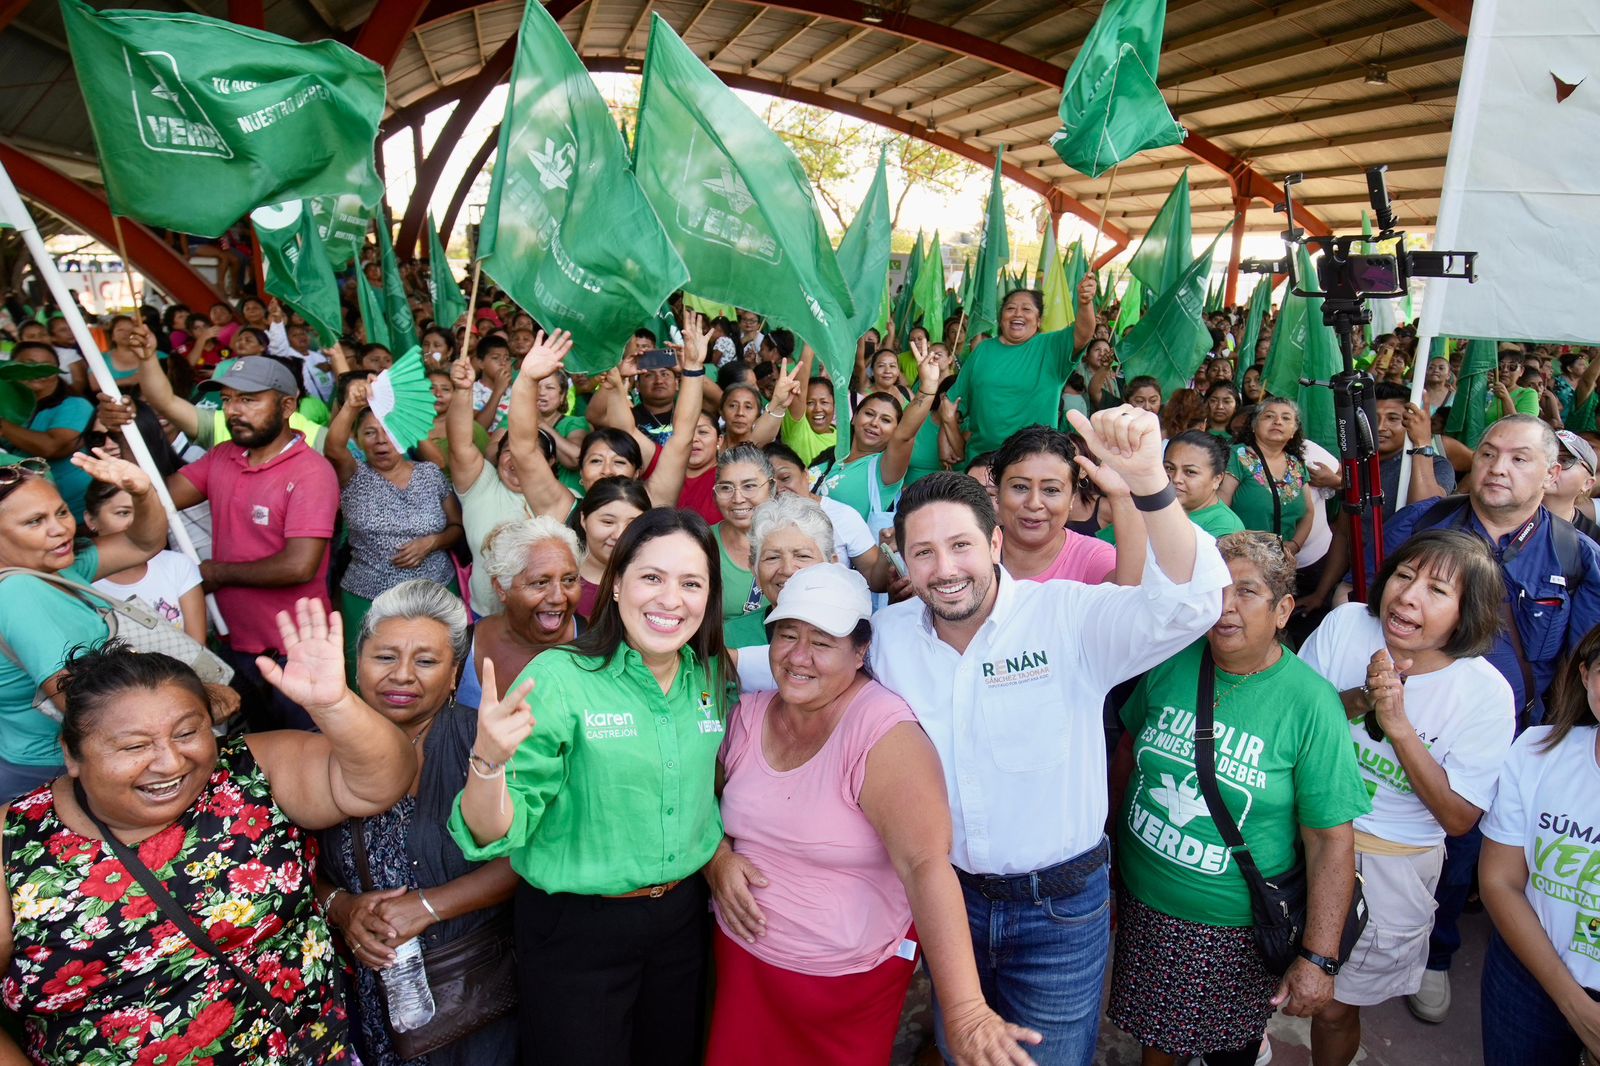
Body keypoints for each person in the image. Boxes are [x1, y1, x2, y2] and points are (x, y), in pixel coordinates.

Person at [869, 405, 1231, 1066]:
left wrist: (1149, 484)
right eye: (923, 552)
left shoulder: (1069, 618)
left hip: (1059, 912)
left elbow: (1192, 603)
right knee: (963, 1051)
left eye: (961, 546)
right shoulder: (888, 641)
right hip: (948, 904)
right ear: (903, 558)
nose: (945, 568)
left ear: (995, 543)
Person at [0, 599, 418, 1064]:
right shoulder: (14, 841)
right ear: (72, 754)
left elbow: (382, 783)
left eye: (186, 733)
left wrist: (334, 706)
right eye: (135, 746)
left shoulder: (248, 769)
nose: (169, 762)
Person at [704, 564, 1039, 1066]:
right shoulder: (747, 716)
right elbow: (699, 803)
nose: (798, 656)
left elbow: (925, 865)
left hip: (843, 990)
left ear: (860, 652)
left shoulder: (881, 731)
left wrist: (967, 1011)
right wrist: (718, 859)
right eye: (787, 635)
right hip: (743, 969)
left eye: (822, 642)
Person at [449, 508, 732, 1066]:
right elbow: (495, 829)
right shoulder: (559, 678)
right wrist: (488, 764)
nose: (671, 600)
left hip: (681, 922)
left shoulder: (708, 675)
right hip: (578, 930)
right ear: (617, 583)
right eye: (652, 577)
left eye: (691, 583)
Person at [1356, 414, 1600, 1023]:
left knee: (1465, 846)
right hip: (1393, 712)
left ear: (1552, 474)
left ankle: (1435, 955)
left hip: (1505, 736)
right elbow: (1372, 602)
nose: (1497, 467)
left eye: (1519, 458)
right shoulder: (1424, 522)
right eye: (1488, 452)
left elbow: (1579, 664)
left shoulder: (1576, 556)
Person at [1109, 530, 1367, 1066]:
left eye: (1246, 591)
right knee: (1155, 1039)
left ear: (1283, 610)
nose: (1225, 606)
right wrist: (1108, 857)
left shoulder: (1311, 704)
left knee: (1224, 1050)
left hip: (1230, 932)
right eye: (1215, 590)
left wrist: (1319, 958)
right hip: (1142, 903)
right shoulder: (1171, 660)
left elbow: (1329, 841)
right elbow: (1129, 750)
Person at [1298, 531, 1514, 1066]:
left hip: (1389, 866)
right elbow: (1290, 721)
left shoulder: (1486, 693)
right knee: (1254, 966)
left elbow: (1458, 818)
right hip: (1298, 835)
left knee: (1334, 1007)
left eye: (1437, 590)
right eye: (1404, 575)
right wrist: (1362, 698)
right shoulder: (1347, 625)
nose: (1408, 596)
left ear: (1468, 613)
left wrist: (1398, 725)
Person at [313, 581, 520, 1066]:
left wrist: (426, 907)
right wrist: (342, 908)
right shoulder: (317, 750)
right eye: (385, 657)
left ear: (454, 675)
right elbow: (290, 870)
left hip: (479, 992)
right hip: (374, 996)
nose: (402, 675)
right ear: (357, 664)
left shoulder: (484, 741)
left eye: (425, 661)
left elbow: (527, 858)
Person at [154, 357, 341, 730]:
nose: (233, 411)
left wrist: (216, 573)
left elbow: (299, 565)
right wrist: (125, 440)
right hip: (234, 643)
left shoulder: (312, 472)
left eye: (249, 400)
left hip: (294, 651)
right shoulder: (224, 455)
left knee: (306, 748)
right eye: (227, 400)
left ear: (287, 406)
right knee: (249, 751)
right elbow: (161, 497)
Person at [0, 453, 170, 799]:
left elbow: (143, 543)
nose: (59, 529)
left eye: (61, 512)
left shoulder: (55, 567)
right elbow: (84, 706)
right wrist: (197, 703)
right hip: (54, 771)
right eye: (35, 522)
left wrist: (142, 492)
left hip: (82, 756)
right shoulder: (18, 592)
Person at [1477, 623, 1600, 1065]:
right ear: (1585, 675)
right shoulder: (1536, 752)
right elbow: (1500, 881)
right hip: (1528, 978)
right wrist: (1574, 1004)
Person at [326, 379, 463, 670]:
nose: (380, 440)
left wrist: (432, 543)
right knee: (369, 672)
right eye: (370, 432)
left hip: (433, 592)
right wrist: (351, 405)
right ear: (358, 440)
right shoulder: (353, 475)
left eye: (388, 431)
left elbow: (456, 528)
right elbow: (334, 448)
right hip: (368, 597)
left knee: (435, 669)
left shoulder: (430, 474)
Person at [947, 281, 1097, 460]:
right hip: (982, 461)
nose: (1018, 313)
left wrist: (1085, 303)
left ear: (1039, 320)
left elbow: (1084, 333)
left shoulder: (1051, 347)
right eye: (1010, 308)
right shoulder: (983, 350)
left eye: (1026, 309)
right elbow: (952, 405)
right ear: (1001, 317)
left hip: (1035, 461)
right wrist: (948, 438)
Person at [457, 517, 583, 710]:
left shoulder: (596, 643)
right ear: (501, 587)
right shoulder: (463, 648)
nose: (558, 597)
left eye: (569, 580)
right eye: (540, 583)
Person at [816, 338, 942, 527]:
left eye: (886, 420)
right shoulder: (835, 456)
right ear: (854, 417)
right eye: (869, 414)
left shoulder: (884, 468)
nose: (874, 423)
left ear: (895, 431)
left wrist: (928, 387)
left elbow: (905, 436)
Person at [990, 425, 1130, 585]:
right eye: (1020, 487)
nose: (1034, 503)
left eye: (1051, 490)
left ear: (1072, 498)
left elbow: (1129, 592)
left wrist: (1122, 496)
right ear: (998, 492)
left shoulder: (1091, 557)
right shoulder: (974, 549)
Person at [82, 478, 206, 644]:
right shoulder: (80, 584)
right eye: (123, 513)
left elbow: (198, 647)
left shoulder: (178, 565)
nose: (136, 523)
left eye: (143, 512)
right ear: (91, 520)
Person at [765, 441, 889, 591]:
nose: (779, 489)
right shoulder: (758, 522)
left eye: (785, 478)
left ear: (806, 474)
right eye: (769, 484)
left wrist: (886, 553)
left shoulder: (842, 516)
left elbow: (876, 580)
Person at [0, 342, 95, 519]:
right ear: (11, 368)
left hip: (79, 506)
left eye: (46, 366)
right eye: (27, 364)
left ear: (57, 371)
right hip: (26, 509)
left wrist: (2, 425)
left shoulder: (75, 405)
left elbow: (51, 447)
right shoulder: (9, 408)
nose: (36, 371)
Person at [1222, 398, 1316, 558]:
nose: (1278, 421)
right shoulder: (1237, 456)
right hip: (1240, 557)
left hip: (1282, 561)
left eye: (1286, 418)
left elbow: (1308, 512)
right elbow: (1220, 505)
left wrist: (1295, 545)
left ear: (1294, 430)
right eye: (1269, 416)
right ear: (1253, 426)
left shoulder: (1296, 465)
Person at [714, 444, 778, 650]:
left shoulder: (794, 541)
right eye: (726, 488)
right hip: (719, 658)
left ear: (772, 487)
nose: (738, 498)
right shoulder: (700, 544)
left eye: (749, 486)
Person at [572, 476, 651, 620]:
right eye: (608, 522)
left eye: (632, 524)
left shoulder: (653, 580)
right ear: (583, 519)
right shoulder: (561, 576)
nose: (619, 535)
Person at [1154, 430, 1246, 539]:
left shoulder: (1225, 528)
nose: (1176, 479)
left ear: (1217, 479)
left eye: (1190, 472)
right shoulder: (1156, 506)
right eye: (1169, 468)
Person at [1543, 430, 1600, 543]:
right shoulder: (1508, 513)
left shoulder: (1593, 541)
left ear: (1587, 483)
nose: (1551, 466)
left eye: (1564, 460)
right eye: (1547, 457)